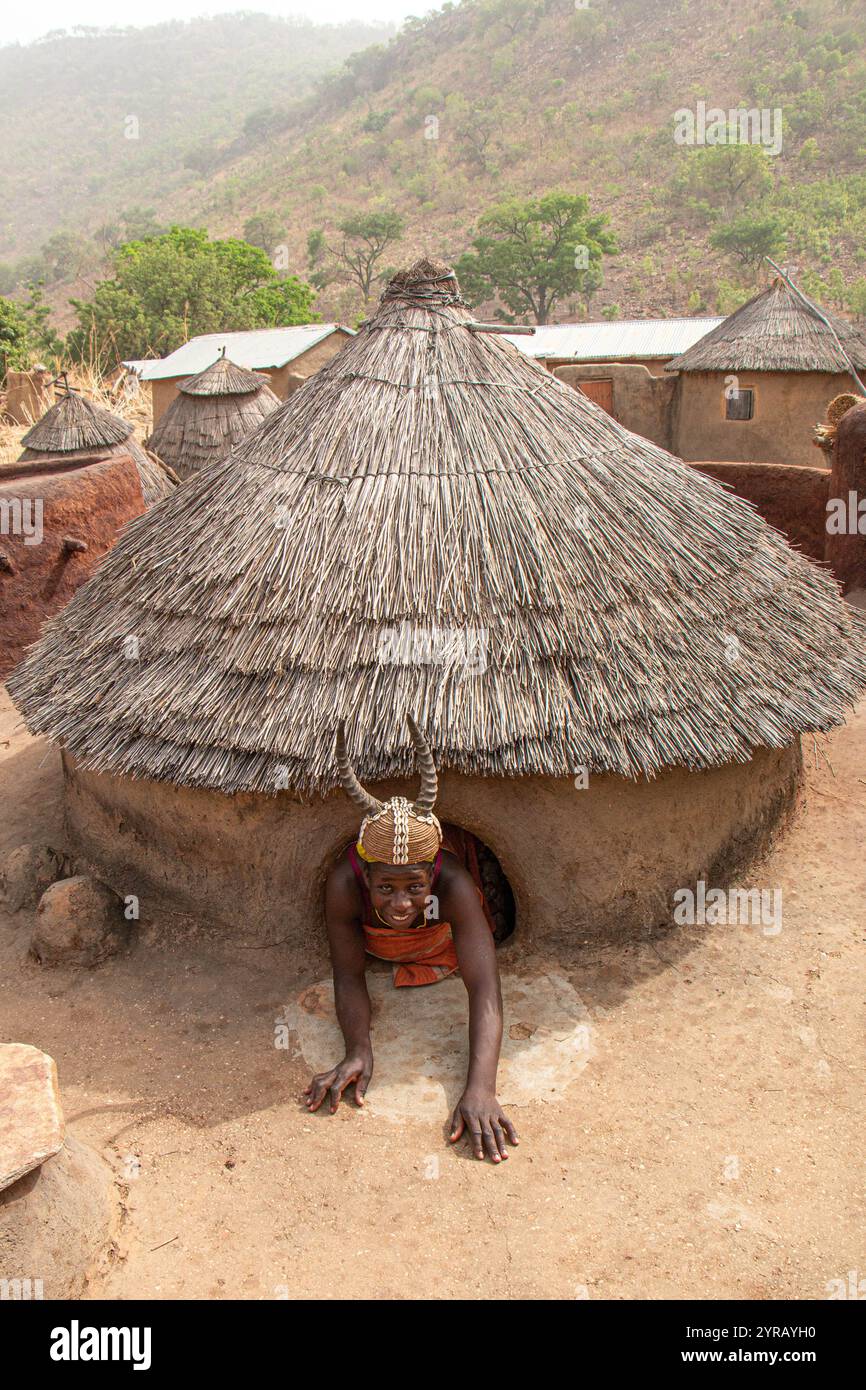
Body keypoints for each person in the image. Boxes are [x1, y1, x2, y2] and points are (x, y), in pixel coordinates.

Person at [303, 716, 519, 1164]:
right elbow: (348, 974)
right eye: (386, 889)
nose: (401, 904)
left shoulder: (454, 882)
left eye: (414, 888)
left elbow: (484, 985)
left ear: (432, 874)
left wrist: (481, 1087)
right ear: (365, 876)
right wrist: (358, 1049)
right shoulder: (344, 883)